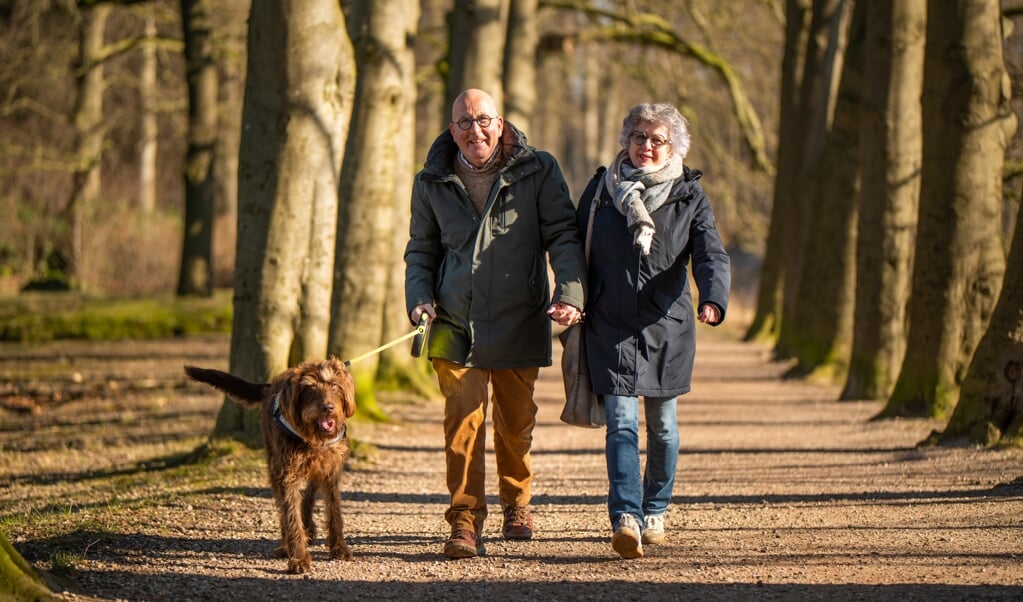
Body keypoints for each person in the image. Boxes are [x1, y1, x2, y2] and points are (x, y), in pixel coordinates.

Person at [404, 89, 586, 559]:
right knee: (462, 423)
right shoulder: (431, 180)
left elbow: (563, 235)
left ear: (500, 124)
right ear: (452, 131)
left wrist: (569, 292)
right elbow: (422, 250)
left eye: (482, 120)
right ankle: (464, 521)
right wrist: (419, 298)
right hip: (452, 320)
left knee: (515, 423)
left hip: (519, 316)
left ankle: (517, 502)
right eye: (463, 123)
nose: (474, 130)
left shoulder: (538, 168)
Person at [577, 102, 730, 559]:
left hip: (667, 327)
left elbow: (710, 254)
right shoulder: (602, 190)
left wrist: (713, 298)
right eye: (639, 136)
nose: (646, 146)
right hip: (610, 325)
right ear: (626, 140)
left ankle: (655, 507)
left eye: (657, 139)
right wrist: (570, 297)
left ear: (673, 147)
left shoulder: (689, 196)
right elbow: (571, 242)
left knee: (662, 428)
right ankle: (626, 516)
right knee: (621, 424)